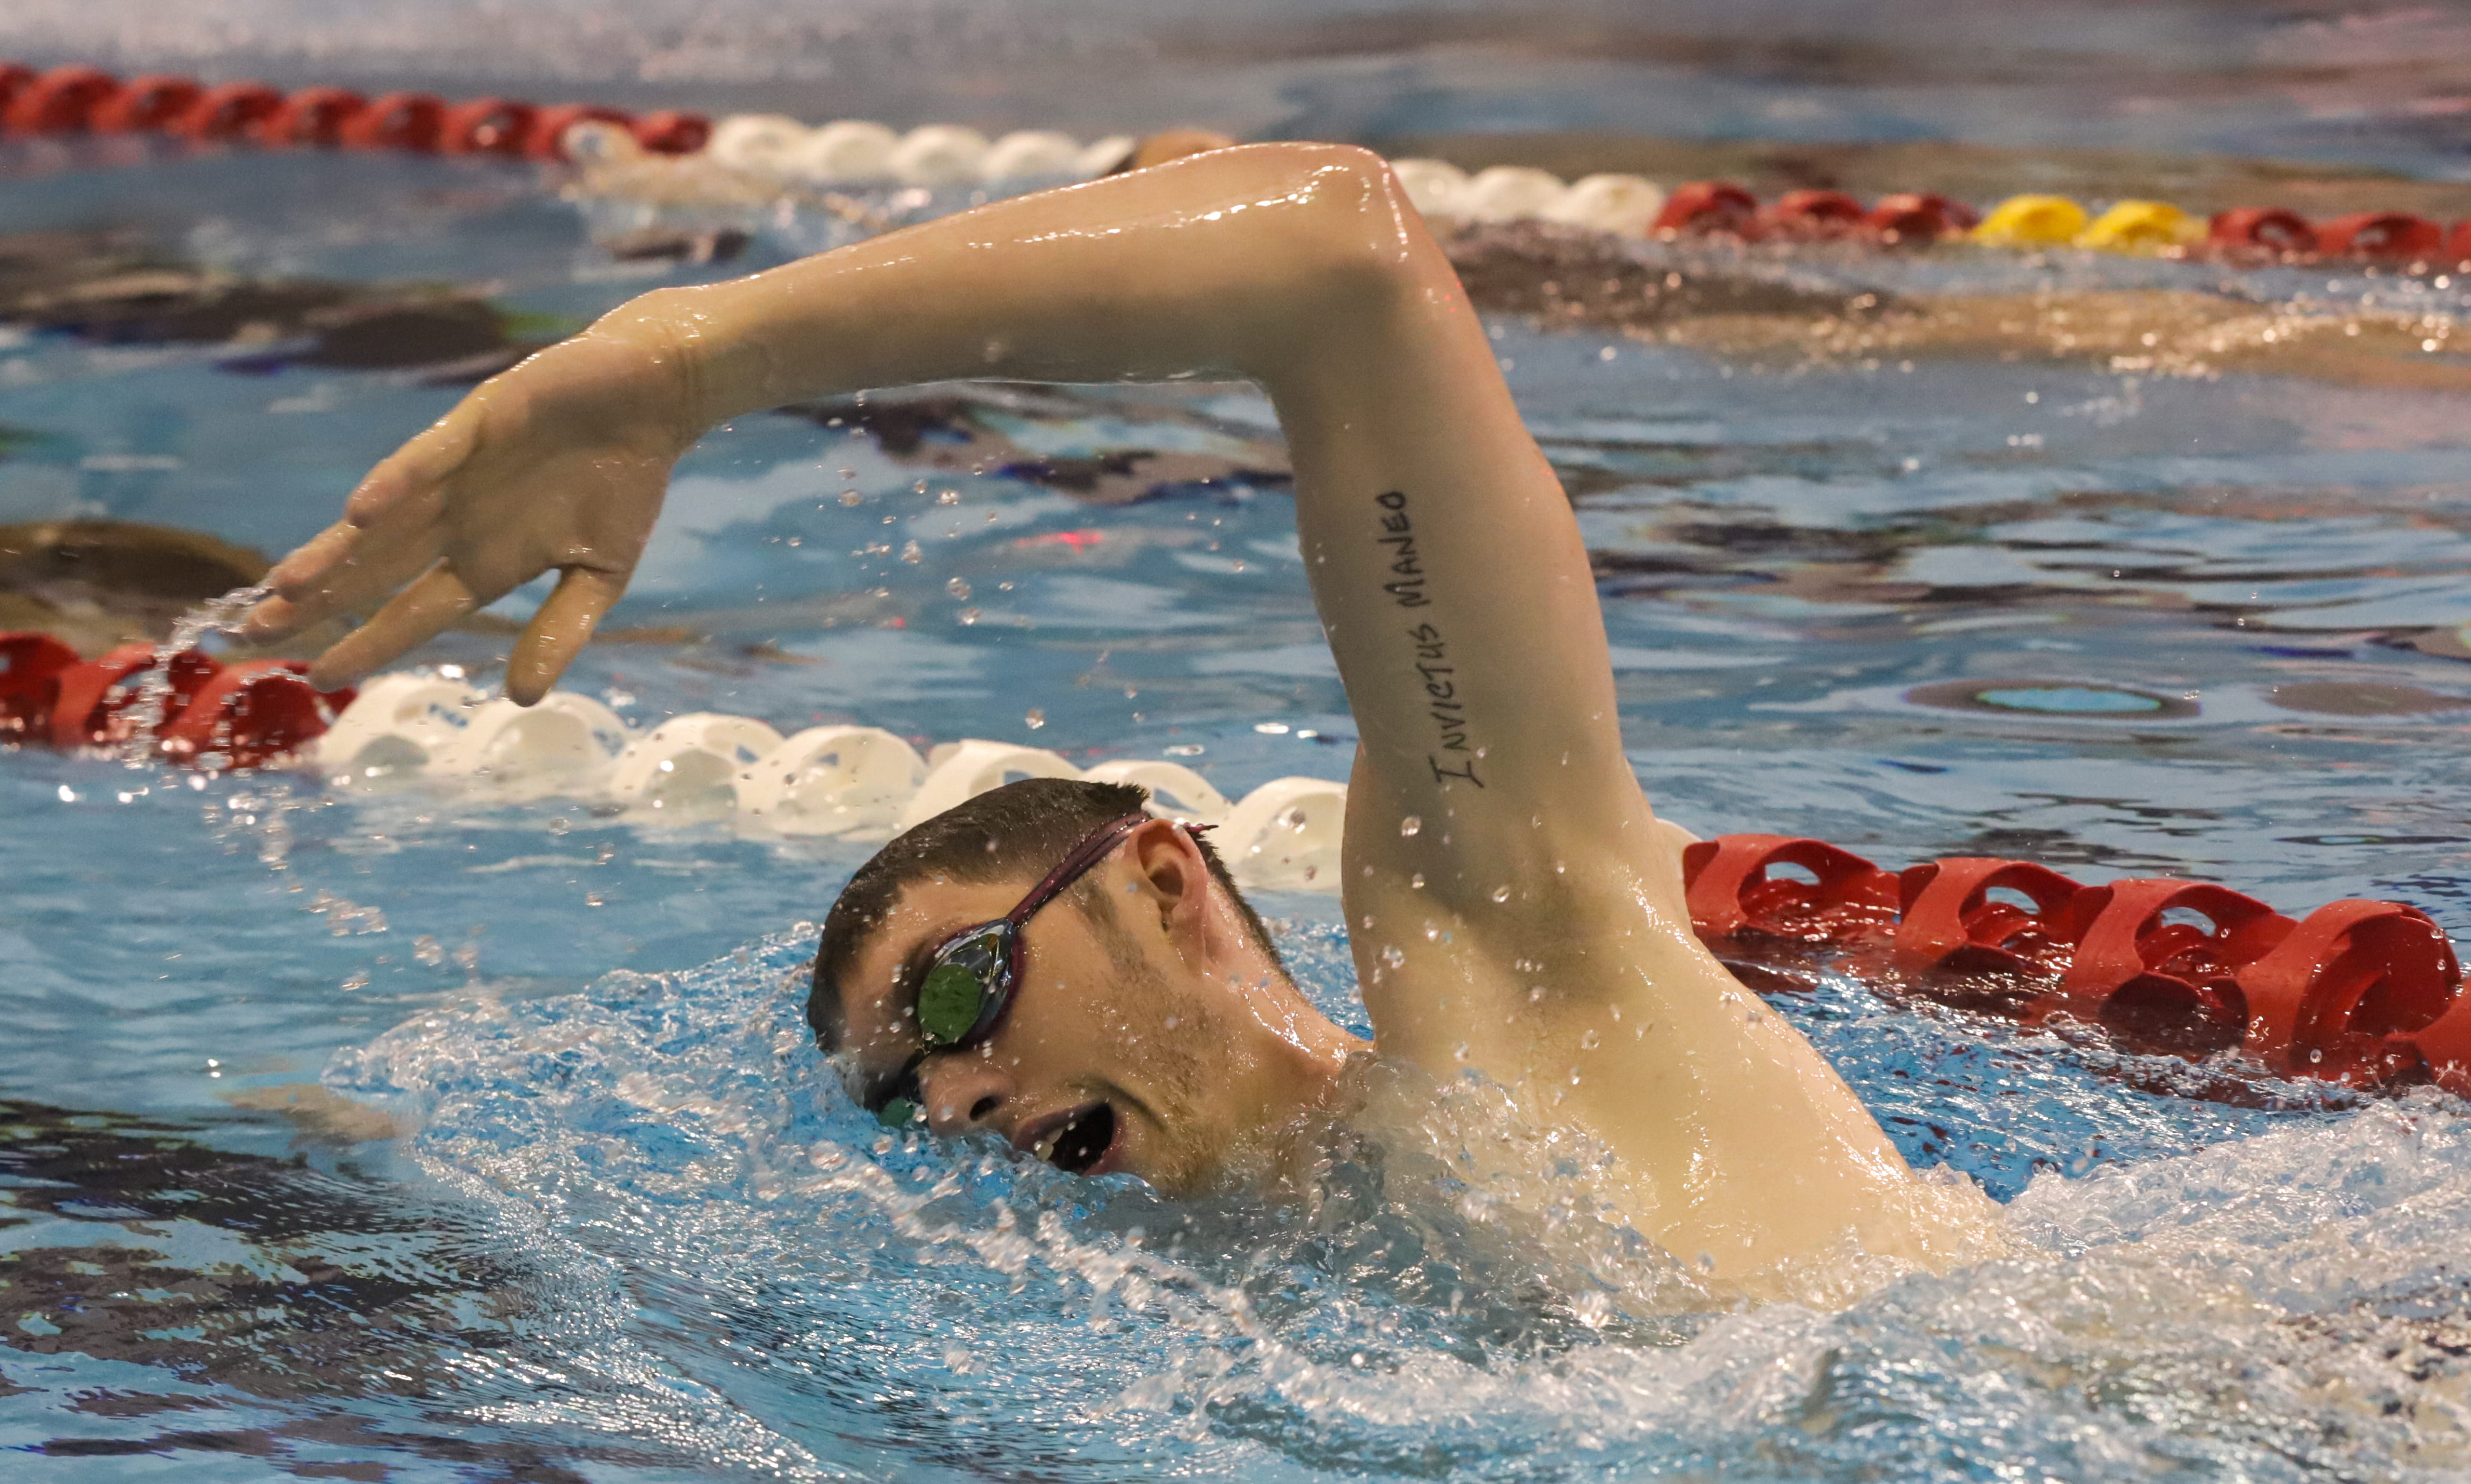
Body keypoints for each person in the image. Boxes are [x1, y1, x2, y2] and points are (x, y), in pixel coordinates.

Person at [243, 141, 1993, 1301]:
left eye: (958, 991)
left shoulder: (1506, 962)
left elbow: (1336, 253)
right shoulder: (1262, 1311)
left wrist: (688, 361)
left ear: (1163, 880)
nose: (954, 1097)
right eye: (900, 1087)